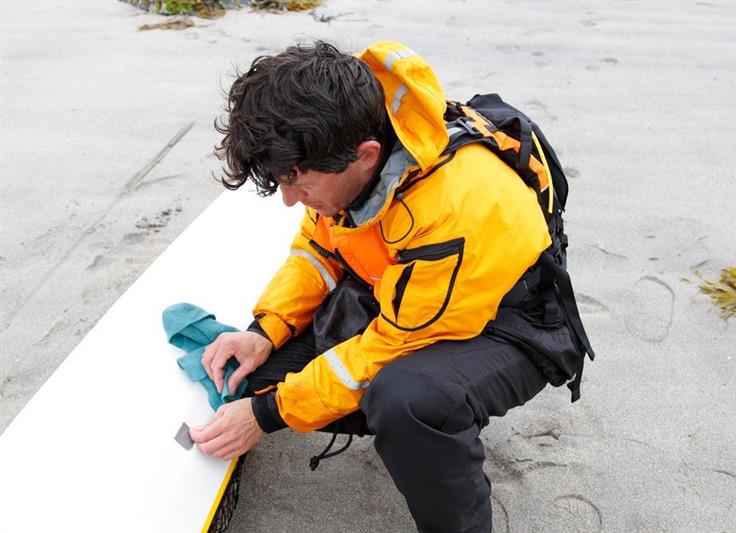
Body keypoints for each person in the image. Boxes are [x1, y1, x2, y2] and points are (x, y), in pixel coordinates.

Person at [189, 40, 577, 532]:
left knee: (406, 400)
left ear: (366, 157)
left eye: (298, 184)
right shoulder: (340, 141)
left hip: (513, 321)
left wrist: (267, 414)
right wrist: (265, 330)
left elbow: (393, 344)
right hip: (409, 292)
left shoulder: (451, 207)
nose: (289, 200)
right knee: (262, 371)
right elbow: (318, 249)